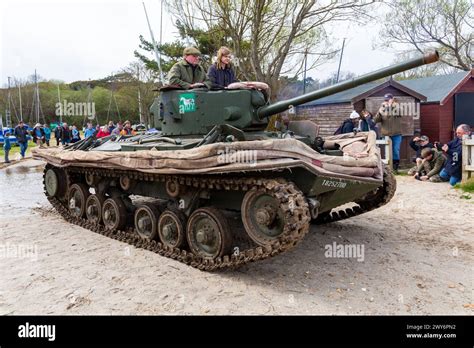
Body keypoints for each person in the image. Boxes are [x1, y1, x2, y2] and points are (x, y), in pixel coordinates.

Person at [374, 93, 402, 173]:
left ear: (392, 99)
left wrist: (389, 106)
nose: (386, 101)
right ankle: (388, 168)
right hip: (386, 134)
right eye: (385, 100)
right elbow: (376, 120)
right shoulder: (382, 108)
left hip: (397, 134)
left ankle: (395, 168)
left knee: (396, 150)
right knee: (387, 151)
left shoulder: (397, 107)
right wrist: (380, 111)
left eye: (388, 99)